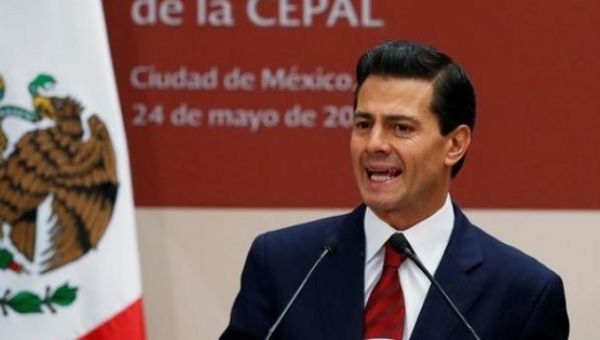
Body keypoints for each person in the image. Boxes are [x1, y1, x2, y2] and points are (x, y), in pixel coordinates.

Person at [220, 40, 569, 340]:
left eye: (400, 127)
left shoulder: (522, 293)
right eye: (363, 124)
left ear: (455, 144)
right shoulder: (283, 264)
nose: (374, 143)